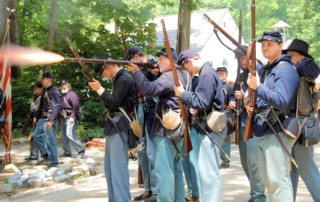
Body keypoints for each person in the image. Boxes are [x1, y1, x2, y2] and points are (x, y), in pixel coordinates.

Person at [127, 47, 189, 202]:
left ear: (172, 61)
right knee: (175, 168)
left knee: (163, 170)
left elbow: (148, 89)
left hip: (167, 128)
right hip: (179, 126)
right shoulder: (183, 73)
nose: (159, 62)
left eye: (162, 59)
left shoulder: (169, 76)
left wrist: (135, 72)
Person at [246, 32, 300, 201]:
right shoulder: (269, 70)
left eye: (270, 44)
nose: (265, 47)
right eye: (263, 45)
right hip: (264, 129)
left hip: (277, 129)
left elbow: (282, 101)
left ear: (280, 46)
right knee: (269, 181)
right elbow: (249, 64)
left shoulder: (285, 69)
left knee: (278, 181)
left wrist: (258, 88)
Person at [174, 49, 226, 202]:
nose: (187, 71)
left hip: (211, 126)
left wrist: (183, 94)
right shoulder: (207, 72)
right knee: (207, 172)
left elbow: (201, 102)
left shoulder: (206, 74)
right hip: (208, 124)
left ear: (189, 61)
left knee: (209, 173)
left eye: (186, 67)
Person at [89, 58, 136, 202]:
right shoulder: (120, 79)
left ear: (108, 66)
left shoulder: (124, 79)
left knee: (118, 170)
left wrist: (99, 89)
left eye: (103, 72)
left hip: (119, 125)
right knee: (110, 170)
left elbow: (114, 103)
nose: (103, 75)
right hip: (114, 125)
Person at [282, 39, 320, 202]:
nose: (288, 58)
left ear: (302, 58)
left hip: (301, 125)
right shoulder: (300, 71)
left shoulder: (305, 71)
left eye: (291, 55)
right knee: (292, 169)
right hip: (297, 125)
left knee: (307, 168)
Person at [229, 45, 266, 202]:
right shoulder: (241, 75)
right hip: (243, 122)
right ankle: (255, 192)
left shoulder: (260, 72)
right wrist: (232, 99)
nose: (241, 61)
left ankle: (258, 196)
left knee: (253, 161)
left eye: (244, 58)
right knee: (245, 161)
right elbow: (231, 94)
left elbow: (264, 97)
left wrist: (245, 96)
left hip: (256, 122)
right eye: (239, 59)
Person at [128, 46, 159, 201]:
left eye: (141, 56)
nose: (140, 58)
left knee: (152, 152)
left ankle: (156, 190)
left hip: (150, 111)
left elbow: (154, 86)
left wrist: (149, 71)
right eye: (138, 56)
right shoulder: (131, 72)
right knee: (142, 153)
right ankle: (147, 188)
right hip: (138, 110)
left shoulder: (152, 68)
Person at [32, 72, 61, 167]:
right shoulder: (45, 91)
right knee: (35, 135)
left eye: (43, 79)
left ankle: (54, 161)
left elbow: (57, 107)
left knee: (50, 140)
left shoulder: (54, 91)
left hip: (50, 118)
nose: (42, 81)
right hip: (43, 118)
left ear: (48, 79)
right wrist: (36, 116)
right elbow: (41, 105)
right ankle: (45, 155)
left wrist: (51, 120)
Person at [181, 72, 201, 202]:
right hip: (183, 123)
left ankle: (197, 192)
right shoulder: (184, 79)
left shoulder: (198, 80)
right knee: (185, 160)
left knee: (194, 161)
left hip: (195, 124)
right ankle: (192, 191)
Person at [59, 79, 85, 158]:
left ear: (68, 85)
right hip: (64, 117)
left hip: (71, 117)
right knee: (63, 136)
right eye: (62, 85)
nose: (63, 86)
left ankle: (80, 150)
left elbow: (76, 106)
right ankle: (67, 152)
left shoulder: (72, 94)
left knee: (70, 134)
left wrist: (73, 116)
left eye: (65, 84)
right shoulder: (62, 95)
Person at [216, 66, 234, 169]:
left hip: (225, 114)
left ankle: (226, 161)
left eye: (222, 73)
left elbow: (232, 97)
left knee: (225, 140)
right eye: (218, 73)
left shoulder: (229, 86)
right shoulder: (214, 85)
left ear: (226, 74)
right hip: (215, 114)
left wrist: (233, 101)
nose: (220, 75)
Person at [25, 81, 42, 161]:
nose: (34, 89)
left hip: (40, 119)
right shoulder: (36, 97)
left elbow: (37, 109)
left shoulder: (42, 97)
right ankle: (33, 155)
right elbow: (33, 108)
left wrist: (35, 116)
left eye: (35, 87)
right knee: (33, 138)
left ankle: (37, 155)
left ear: (40, 88)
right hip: (35, 119)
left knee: (37, 137)